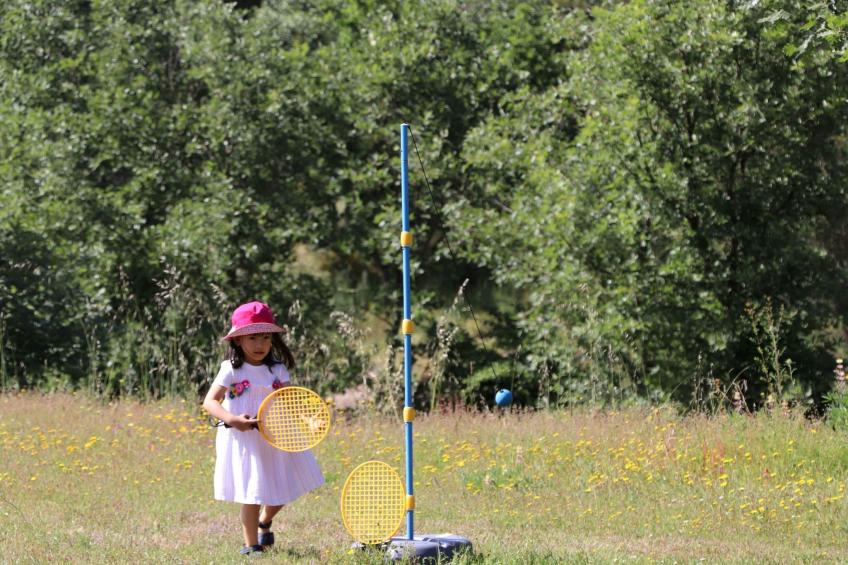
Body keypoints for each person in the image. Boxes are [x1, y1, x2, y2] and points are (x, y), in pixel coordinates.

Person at [203, 301, 324, 555]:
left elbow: (291, 401)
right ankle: (251, 545)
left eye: (266, 337)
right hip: (244, 439)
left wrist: (309, 419)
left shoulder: (276, 370)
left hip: (277, 436)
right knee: (252, 493)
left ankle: (265, 521)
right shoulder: (231, 370)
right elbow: (210, 401)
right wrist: (232, 418)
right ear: (238, 340)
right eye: (253, 337)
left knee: (282, 489)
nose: (260, 344)